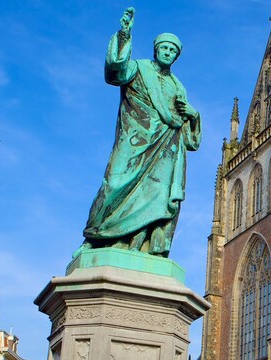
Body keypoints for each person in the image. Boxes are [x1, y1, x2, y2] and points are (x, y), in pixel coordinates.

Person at [80, 7, 202, 258]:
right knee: (113, 184)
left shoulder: (178, 86)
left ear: (176, 56)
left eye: (172, 51)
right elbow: (115, 72)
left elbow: (189, 138)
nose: (167, 53)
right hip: (134, 140)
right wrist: (124, 36)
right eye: (164, 49)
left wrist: (193, 114)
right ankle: (95, 238)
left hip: (166, 150)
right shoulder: (139, 69)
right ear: (156, 50)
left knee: (159, 197)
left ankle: (142, 244)